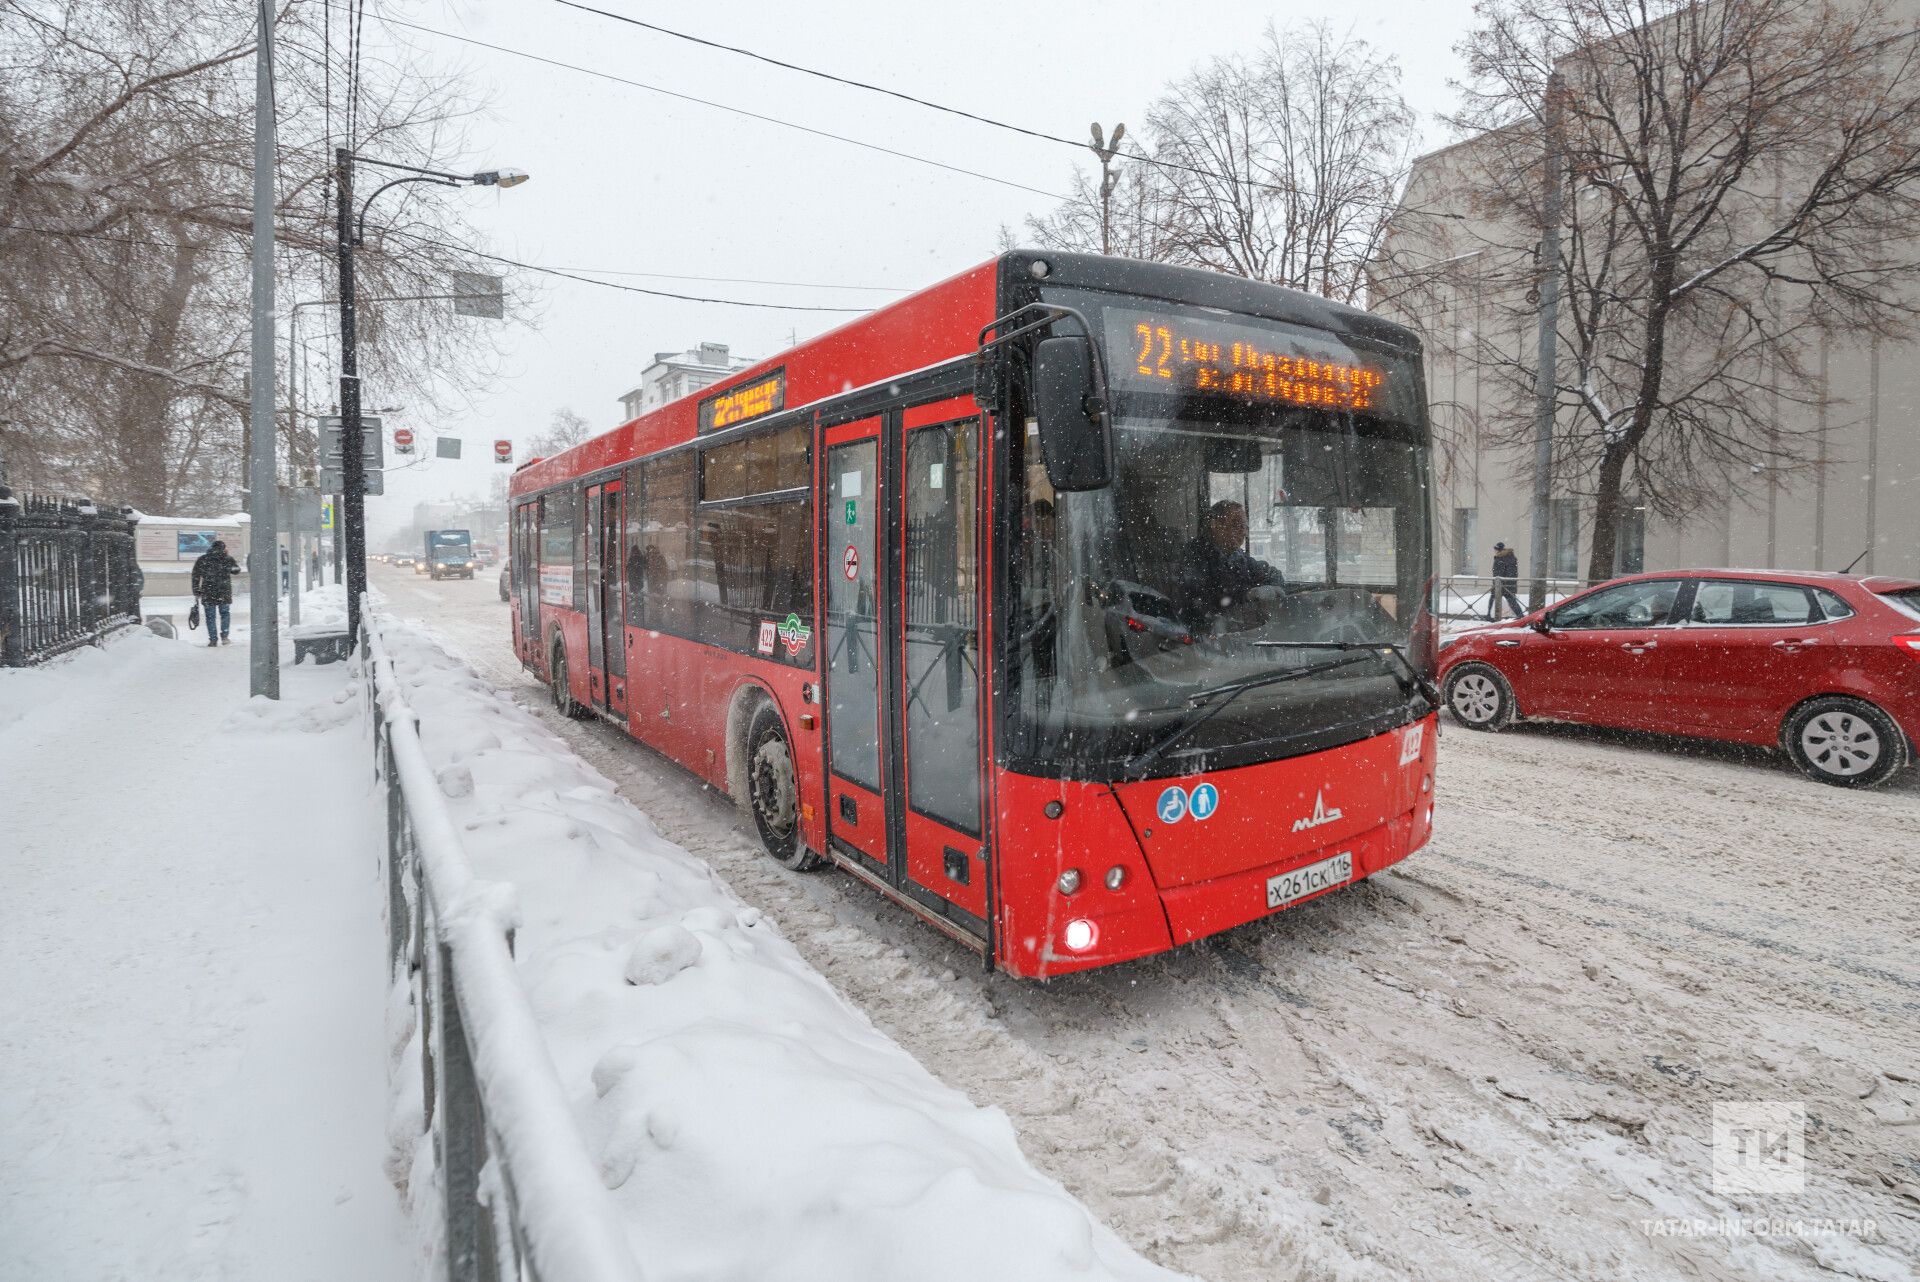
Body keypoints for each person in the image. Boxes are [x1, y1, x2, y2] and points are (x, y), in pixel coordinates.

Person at [1178, 499, 1283, 628]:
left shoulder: (1238, 556)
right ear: (1214, 525)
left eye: (1244, 526)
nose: (1243, 532)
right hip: (1205, 634)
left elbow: (1272, 573)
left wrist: (1272, 589)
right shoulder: (1195, 555)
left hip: (1238, 630)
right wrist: (1248, 595)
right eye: (1235, 525)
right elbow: (1208, 597)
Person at [191, 538, 242, 646]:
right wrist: (228, 564)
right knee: (225, 614)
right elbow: (236, 571)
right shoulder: (227, 559)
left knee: (210, 617)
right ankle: (224, 637)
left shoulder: (203, 559)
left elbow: (195, 575)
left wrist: (196, 590)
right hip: (224, 591)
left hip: (208, 591)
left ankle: (213, 639)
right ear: (223, 549)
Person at [1489, 540, 1526, 620]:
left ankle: (1490, 615)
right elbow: (1511, 572)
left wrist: (1498, 582)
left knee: (1495, 597)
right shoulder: (1510, 557)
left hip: (1502, 583)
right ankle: (1520, 616)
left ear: (1499, 550)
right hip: (1508, 583)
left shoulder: (1500, 559)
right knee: (1511, 600)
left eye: (1495, 549)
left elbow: (1499, 573)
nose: (1494, 551)